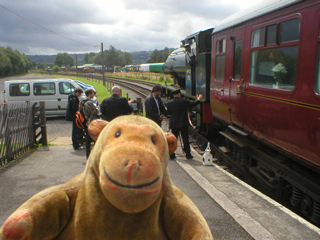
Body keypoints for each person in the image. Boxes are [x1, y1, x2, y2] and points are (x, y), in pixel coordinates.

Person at [167, 89, 202, 160]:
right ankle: (188, 154)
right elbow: (193, 104)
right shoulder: (183, 101)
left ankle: (172, 154)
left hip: (174, 124)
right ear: (179, 94)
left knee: (174, 140)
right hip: (183, 124)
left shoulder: (169, 103)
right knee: (185, 139)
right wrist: (198, 99)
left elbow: (169, 113)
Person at [82, 88, 100, 158]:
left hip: (87, 121)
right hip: (92, 122)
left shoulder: (83, 101)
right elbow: (95, 111)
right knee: (95, 138)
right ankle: (94, 156)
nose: (93, 94)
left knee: (88, 140)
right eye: (92, 93)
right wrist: (98, 106)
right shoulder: (89, 102)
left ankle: (88, 155)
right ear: (89, 94)